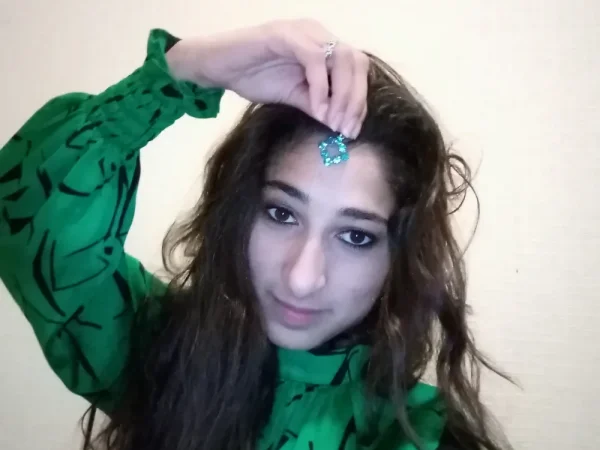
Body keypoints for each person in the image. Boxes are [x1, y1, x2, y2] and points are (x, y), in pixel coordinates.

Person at [0, 19, 512, 450]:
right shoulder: (158, 349)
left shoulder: (420, 436)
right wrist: (185, 71)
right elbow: (28, 221)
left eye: (355, 237)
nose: (302, 278)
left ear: (397, 258)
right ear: (239, 213)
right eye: (282, 214)